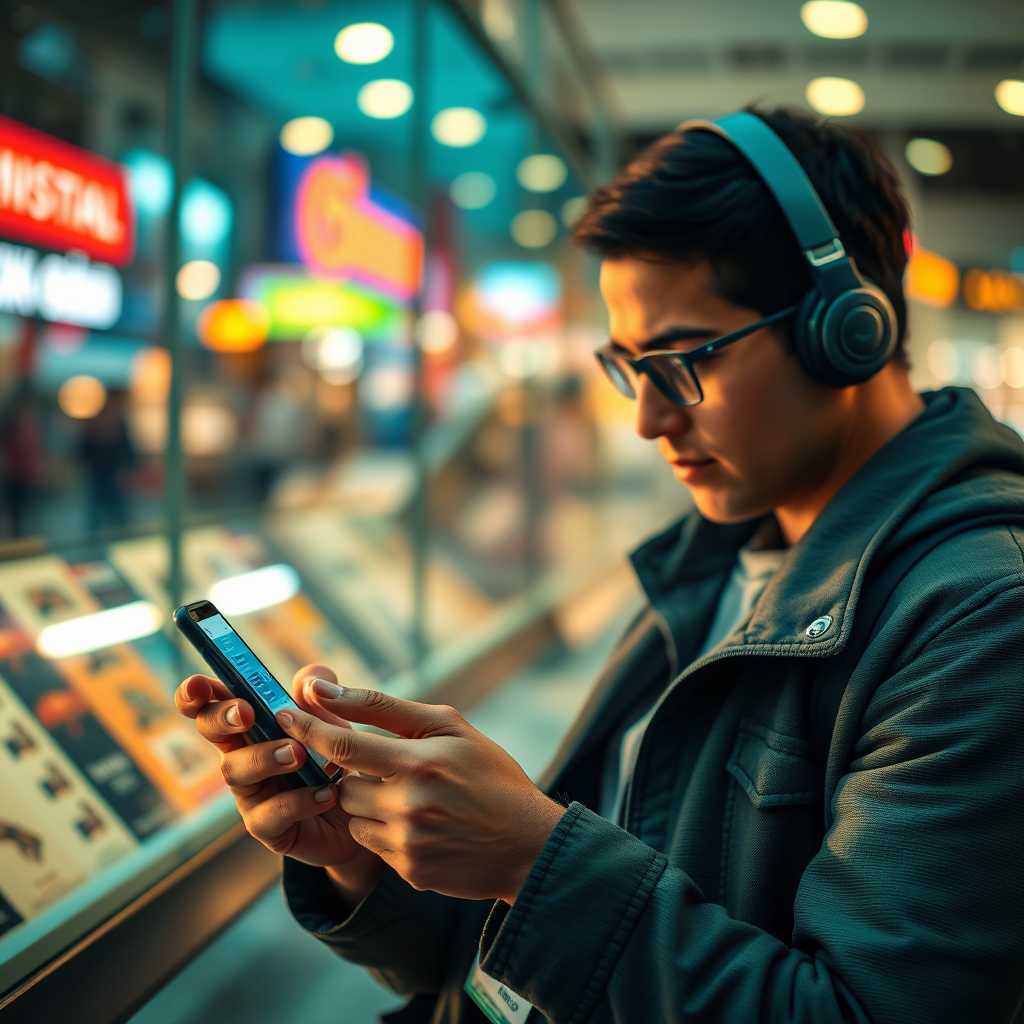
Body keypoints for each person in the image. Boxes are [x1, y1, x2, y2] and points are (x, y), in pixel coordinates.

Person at [175, 103, 1024, 1023]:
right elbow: (527, 958)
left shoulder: (983, 618)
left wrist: (535, 859)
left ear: (845, 327)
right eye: (629, 367)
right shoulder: (714, 561)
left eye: (684, 360)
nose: (648, 420)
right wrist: (362, 855)